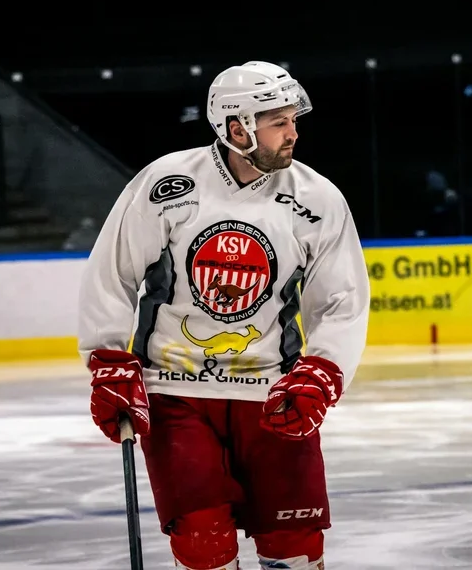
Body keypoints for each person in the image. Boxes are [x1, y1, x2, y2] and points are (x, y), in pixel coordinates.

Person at [77, 61, 371, 569]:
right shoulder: (167, 183)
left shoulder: (317, 199)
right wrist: (107, 357)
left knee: (295, 548)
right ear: (237, 128)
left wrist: (322, 371)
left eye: (293, 119)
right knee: (202, 545)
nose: (293, 132)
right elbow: (113, 271)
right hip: (176, 393)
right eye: (279, 121)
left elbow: (341, 299)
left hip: (273, 398)